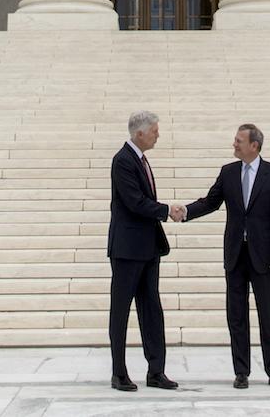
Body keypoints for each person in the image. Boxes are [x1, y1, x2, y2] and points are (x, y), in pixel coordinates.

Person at [181, 123, 270, 389]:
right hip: (235, 254)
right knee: (237, 315)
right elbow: (210, 202)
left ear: (254, 145)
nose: (234, 144)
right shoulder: (228, 172)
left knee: (269, 314)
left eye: (239, 141)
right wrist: (184, 211)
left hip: (265, 257)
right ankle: (241, 371)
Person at [108, 110, 179, 391]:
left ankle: (156, 370)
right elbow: (135, 202)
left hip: (148, 248)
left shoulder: (141, 159)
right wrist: (166, 210)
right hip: (127, 250)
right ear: (140, 133)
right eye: (154, 130)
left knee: (152, 309)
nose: (158, 134)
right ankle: (119, 372)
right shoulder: (123, 161)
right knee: (121, 311)